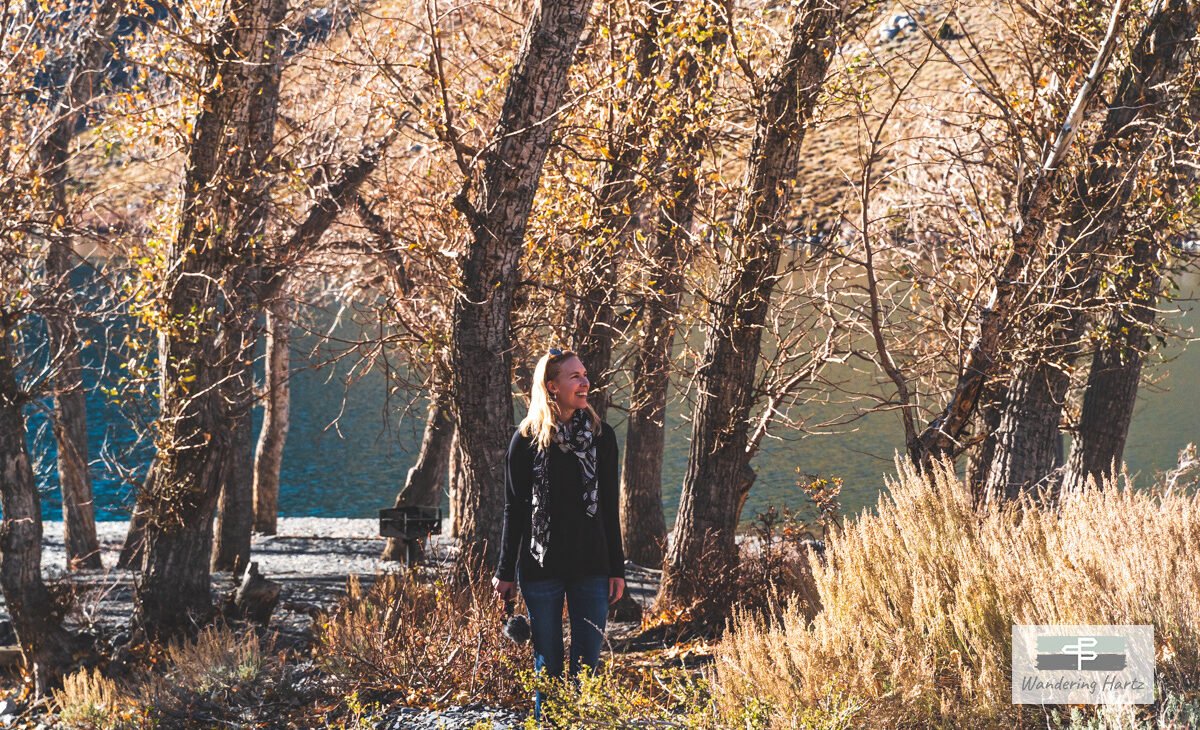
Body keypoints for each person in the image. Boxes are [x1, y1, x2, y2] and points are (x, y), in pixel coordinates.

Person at [492, 347, 626, 720]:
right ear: (552, 386)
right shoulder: (526, 440)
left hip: (592, 566)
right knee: (547, 667)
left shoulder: (602, 437)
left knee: (587, 667)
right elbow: (514, 509)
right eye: (575, 377)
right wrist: (504, 572)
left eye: (584, 375)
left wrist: (617, 568)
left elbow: (610, 508)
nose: (585, 382)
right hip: (541, 569)